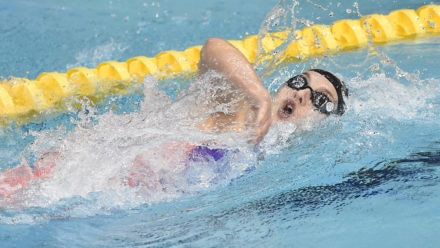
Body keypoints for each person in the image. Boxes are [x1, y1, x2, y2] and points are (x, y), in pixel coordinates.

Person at [0, 38, 348, 197]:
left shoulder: (272, 161)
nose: (303, 93)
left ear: (327, 126)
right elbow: (214, 49)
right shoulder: (241, 109)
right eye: (300, 81)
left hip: (89, 195)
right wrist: (255, 93)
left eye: (321, 99)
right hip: (57, 176)